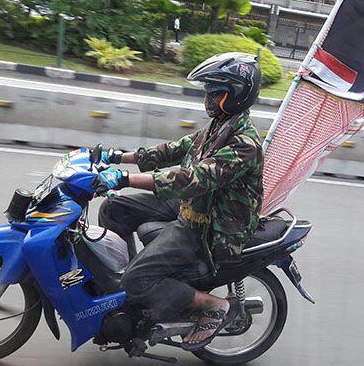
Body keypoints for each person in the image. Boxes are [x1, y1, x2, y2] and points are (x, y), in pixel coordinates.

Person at [92, 52, 264, 351]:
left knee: (135, 281)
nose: (208, 99)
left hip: (208, 225)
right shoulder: (217, 128)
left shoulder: (244, 143)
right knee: (113, 208)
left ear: (236, 96)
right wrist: (115, 157)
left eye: (216, 92)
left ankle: (212, 305)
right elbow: (173, 150)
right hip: (193, 205)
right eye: (208, 91)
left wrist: (124, 178)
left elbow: (191, 178)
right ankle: (126, 285)